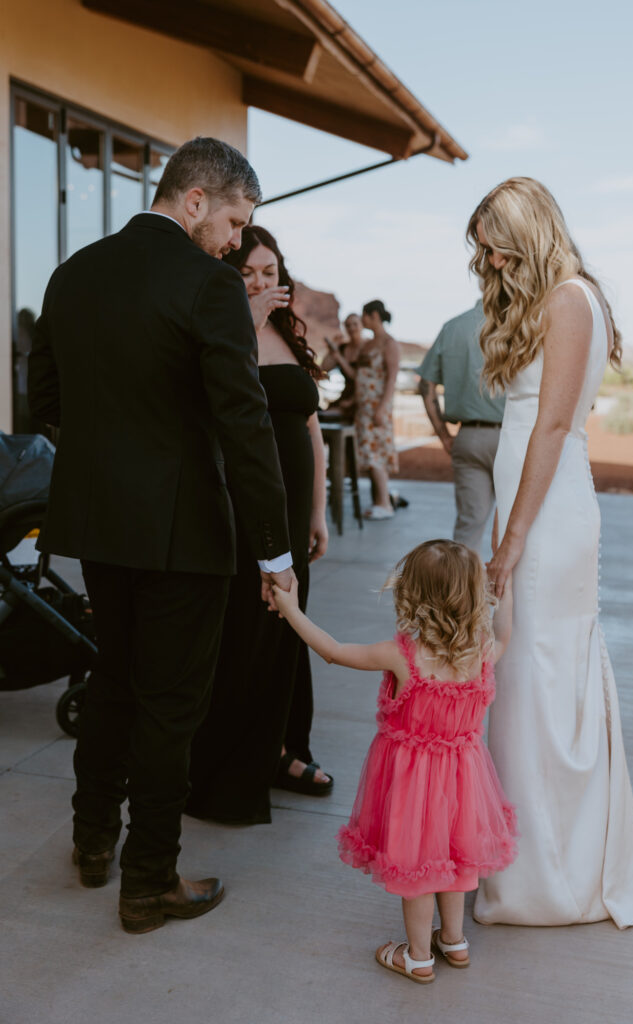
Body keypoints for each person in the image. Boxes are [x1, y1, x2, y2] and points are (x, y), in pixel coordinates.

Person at [27, 138, 294, 933]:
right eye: (235, 222)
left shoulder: (72, 273)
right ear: (194, 200)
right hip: (182, 533)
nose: (237, 242)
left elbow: (45, 394)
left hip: (97, 522)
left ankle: (91, 841)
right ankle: (148, 884)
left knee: (112, 681)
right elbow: (243, 422)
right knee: (170, 707)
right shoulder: (206, 286)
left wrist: (116, 453)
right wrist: (273, 550)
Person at [467, 176, 633, 928]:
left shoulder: (569, 298)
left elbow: (548, 430)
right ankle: (526, 863)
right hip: (527, 511)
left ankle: (555, 878)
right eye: (482, 250)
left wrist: (511, 542)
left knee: (540, 678)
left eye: (496, 245)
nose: (487, 262)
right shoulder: (554, 299)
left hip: (547, 518)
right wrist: (503, 532)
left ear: (528, 232)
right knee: (522, 678)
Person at [273, 540, 517, 984]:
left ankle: (418, 956)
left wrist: (290, 609)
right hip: (465, 779)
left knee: (418, 867)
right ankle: (454, 941)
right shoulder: (481, 652)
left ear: (413, 595)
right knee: (457, 856)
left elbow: (332, 650)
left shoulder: (402, 654)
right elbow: (506, 633)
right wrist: (509, 585)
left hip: (412, 786)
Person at [187, 225, 332, 826]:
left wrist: (319, 511)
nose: (261, 282)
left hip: (295, 508)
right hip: (246, 505)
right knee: (249, 629)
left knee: (289, 630)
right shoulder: (226, 330)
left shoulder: (290, 334)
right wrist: (244, 317)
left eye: (270, 272)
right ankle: (234, 765)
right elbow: (216, 397)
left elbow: (311, 428)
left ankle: (281, 749)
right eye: (248, 272)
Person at [417, 298, 505, 551]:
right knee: (517, 525)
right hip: (513, 437)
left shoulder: (453, 327)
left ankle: (463, 590)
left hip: (469, 437)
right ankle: (510, 591)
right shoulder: (519, 324)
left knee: (469, 525)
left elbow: (426, 385)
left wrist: (443, 435)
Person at [354, 300, 400, 520]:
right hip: (363, 408)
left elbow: (392, 378)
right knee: (368, 454)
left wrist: (382, 407)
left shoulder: (389, 344)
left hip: (377, 408)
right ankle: (379, 501)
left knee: (377, 455)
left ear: (373, 315)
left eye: (364, 316)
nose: (362, 320)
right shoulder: (369, 344)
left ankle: (384, 504)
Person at [320, 313, 364, 421]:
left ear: (362, 325)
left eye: (355, 324)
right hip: (345, 397)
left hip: (360, 397)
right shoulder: (343, 348)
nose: (351, 328)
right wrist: (332, 350)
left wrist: (339, 357)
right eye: (348, 325)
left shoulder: (367, 348)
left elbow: (356, 377)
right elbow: (323, 369)